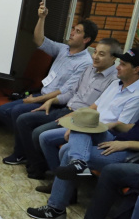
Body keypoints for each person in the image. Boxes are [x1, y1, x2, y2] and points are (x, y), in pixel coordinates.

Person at [28, 51, 139, 219]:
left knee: (67, 151)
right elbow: (136, 127)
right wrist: (113, 125)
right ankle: (77, 167)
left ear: (136, 69)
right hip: (118, 137)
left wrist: (125, 143)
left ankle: (56, 207)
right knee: (83, 125)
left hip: (132, 151)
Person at [0, 1, 96, 163]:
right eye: (73, 29)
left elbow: (64, 91)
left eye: (77, 31)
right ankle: (27, 145)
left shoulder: (84, 63)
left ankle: (22, 152)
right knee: (3, 111)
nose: (72, 33)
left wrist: (34, 100)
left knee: (17, 112)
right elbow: (39, 40)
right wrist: (42, 18)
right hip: (42, 93)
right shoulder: (63, 49)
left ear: (86, 39)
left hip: (55, 103)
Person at [11, 38, 119, 179]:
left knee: (39, 133)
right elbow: (70, 93)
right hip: (64, 108)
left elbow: (97, 109)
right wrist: (52, 100)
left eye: (101, 54)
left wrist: (71, 116)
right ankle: (40, 165)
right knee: (23, 120)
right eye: (95, 52)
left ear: (113, 58)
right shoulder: (89, 69)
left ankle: (55, 175)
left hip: (79, 118)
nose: (95, 57)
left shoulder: (114, 81)